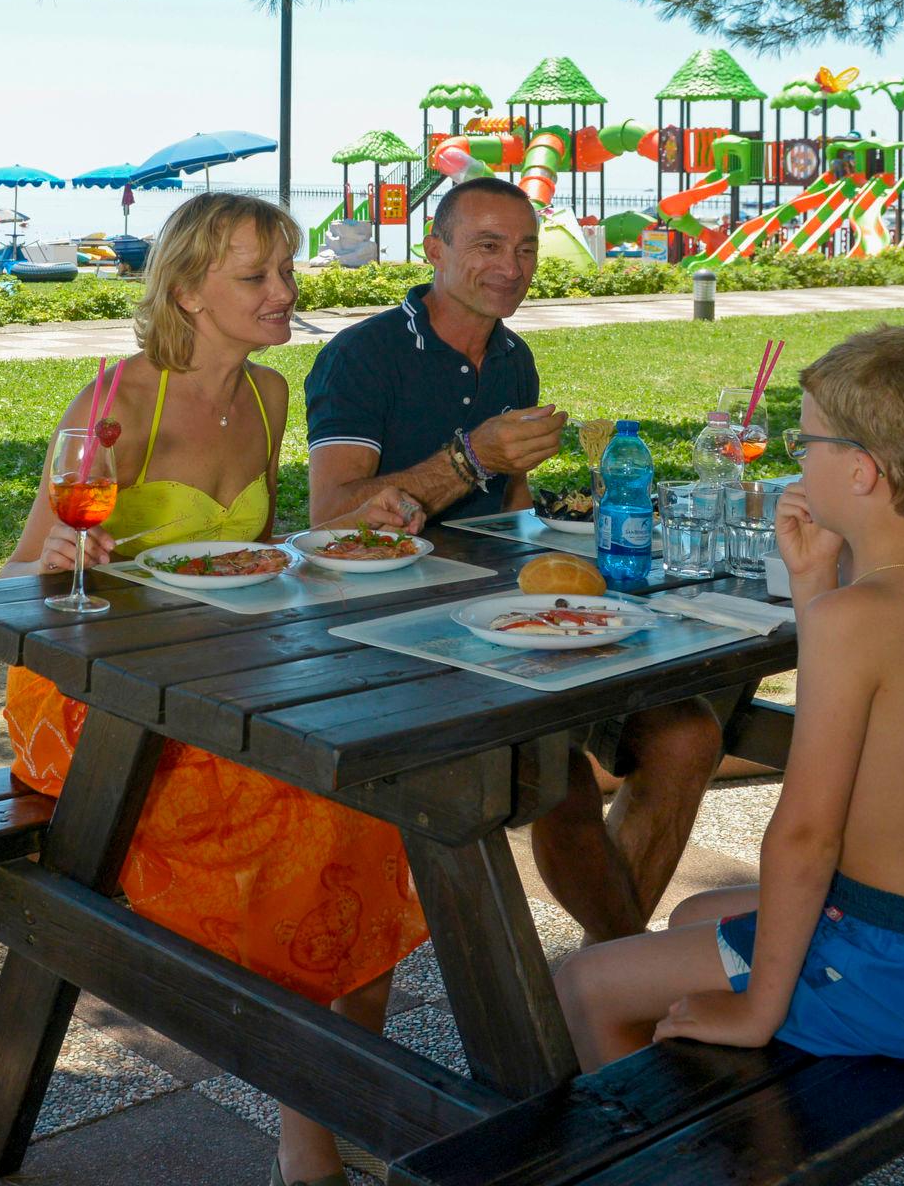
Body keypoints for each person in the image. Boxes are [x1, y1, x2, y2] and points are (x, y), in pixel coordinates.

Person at [1, 192, 424, 1186]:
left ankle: (338, 1088)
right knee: (312, 823)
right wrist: (62, 551)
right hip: (86, 698)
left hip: (212, 677)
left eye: (285, 272)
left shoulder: (271, 397)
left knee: (374, 813)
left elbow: (254, 558)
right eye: (255, 276)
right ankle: (307, 1139)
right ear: (187, 290)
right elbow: (19, 571)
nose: (283, 293)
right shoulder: (116, 397)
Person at [555, 325, 904, 1071]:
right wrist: (813, 584)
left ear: (863, 472)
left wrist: (757, 1009)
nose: (797, 461)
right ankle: (703, 1118)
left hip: (897, 968)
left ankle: (646, 1147)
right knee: (693, 915)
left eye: (805, 445)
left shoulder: (859, 618)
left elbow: (806, 838)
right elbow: (882, 706)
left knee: (585, 982)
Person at [307, 177, 723, 945]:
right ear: (434, 251)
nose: (513, 266)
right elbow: (330, 516)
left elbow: (512, 510)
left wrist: (569, 515)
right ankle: (629, 965)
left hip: (515, 613)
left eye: (526, 248)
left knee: (688, 733)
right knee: (554, 773)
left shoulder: (511, 357)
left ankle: (613, 962)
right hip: (396, 634)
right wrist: (469, 458)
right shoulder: (362, 356)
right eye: (488, 246)